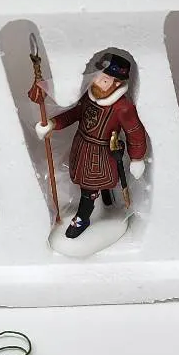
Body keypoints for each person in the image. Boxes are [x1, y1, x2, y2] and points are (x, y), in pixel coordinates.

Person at [29, 50, 150, 238]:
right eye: (97, 76)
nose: (97, 81)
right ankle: (107, 199)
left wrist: (137, 158)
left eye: (104, 80)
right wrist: (53, 123)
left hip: (101, 155)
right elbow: (75, 113)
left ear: (117, 83)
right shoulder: (90, 95)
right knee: (84, 180)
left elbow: (135, 132)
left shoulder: (123, 108)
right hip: (82, 146)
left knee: (89, 186)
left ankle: (83, 217)